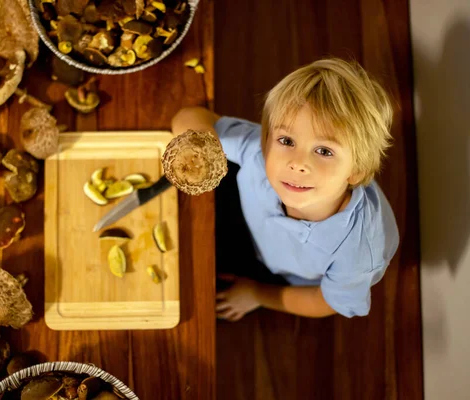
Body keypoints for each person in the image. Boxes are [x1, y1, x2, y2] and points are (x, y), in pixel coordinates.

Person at [170, 58, 400, 321]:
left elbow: (325, 302)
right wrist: (203, 143)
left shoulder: (360, 251)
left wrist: (257, 294)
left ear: (355, 170)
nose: (297, 163)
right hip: (252, 231)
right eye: (287, 140)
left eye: (324, 151)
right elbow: (187, 118)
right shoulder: (260, 153)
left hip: (288, 278)